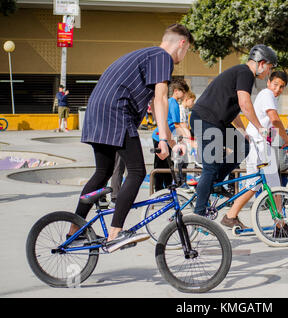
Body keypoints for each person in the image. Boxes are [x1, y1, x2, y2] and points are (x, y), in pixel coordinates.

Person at [68, 24, 193, 253]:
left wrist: (168, 139)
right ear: (182, 44)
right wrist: (164, 140)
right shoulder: (161, 56)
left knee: (102, 172)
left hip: (97, 112)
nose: (183, 58)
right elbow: (161, 98)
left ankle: (74, 231)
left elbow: (157, 110)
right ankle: (115, 233)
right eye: (186, 52)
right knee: (137, 172)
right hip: (116, 111)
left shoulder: (144, 55)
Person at [190, 44, 277, 217]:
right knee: (210, 167)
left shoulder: (242, 74)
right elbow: (245, 103)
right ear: (261, 63)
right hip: (206, 120)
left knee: (243, 146)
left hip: (216, 122)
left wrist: (242, 130)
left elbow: (234, 107)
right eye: (269, 68)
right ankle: (198, 215)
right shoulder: (245, 73)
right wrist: (260, 128)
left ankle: (213, 184)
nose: (268, 72)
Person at [220, 70, 288, 233]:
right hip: (258, 146)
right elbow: (274, 119)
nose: (278, 89)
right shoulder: (267, 93)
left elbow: (267, 124)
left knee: (273, 185)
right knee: (255, 185)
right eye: (275, 84)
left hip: (263, 145)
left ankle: (280, 224)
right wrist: (287, 140)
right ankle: (231, 216)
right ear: (268, 82)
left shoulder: (269, 96)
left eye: (282, 87)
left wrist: (277, 144)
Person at [152, 78, 189, 191]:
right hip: (161, 136)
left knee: (167, 164)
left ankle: (166, 188)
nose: (183, 95)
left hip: (165, 135)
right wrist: (189, 137)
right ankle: (159, 189)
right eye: (183, 92)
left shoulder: (171, 102)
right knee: (162, 165)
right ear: (176, 91)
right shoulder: (173, 103)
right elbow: (177, 124)